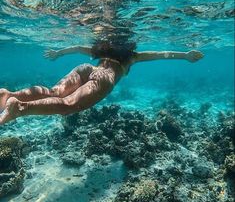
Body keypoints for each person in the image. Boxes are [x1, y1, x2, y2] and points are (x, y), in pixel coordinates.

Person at [0, 41, 203, 125]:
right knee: (68, 105)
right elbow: (160, 55)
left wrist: (58, 53)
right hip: (104, 78)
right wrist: (185, 55)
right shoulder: (132, 55)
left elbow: (79, 48)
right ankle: (19, 108)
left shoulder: (103, 48)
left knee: (55, 91)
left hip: (87, 69)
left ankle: (10, 95)